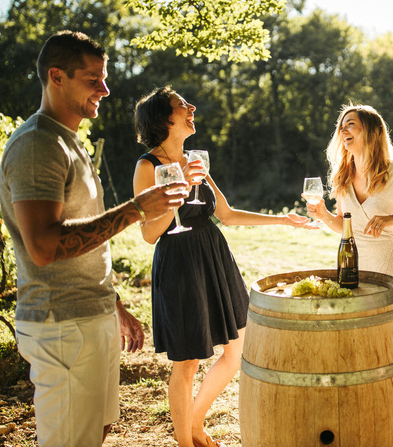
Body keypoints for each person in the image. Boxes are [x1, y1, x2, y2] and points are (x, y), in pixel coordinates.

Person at [0, 31, 186, 447]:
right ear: (56, 76)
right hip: (61, 323)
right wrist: (137, 209)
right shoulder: (37, 145)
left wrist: (112, 303)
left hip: (90, 313)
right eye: (93, 79)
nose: (105, 89)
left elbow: (83, 229)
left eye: (104, 78)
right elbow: (45, 246)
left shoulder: (69, 141)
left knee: (94, 431)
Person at [132, 86, 310, 447]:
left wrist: (283, 221)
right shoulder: (147, 166)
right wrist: (179, 186)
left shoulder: (194, 160)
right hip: (179, 263)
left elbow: (226, 215)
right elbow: (149, 233)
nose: (192, 107)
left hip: (213, 257)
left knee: (237, 350)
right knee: (188, 361)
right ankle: (185, 442)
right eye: (182, 104)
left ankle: (195, 423)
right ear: (163, 118)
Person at [305, 104, 393, 337]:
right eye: (341, 127)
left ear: (372, 131)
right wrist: (324, 215)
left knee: (389, 336)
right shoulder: (343, 174)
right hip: (351, 268)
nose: (343, 131)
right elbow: (345, 226)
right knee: (356, 335)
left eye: (351, 124)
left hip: (387, 265)